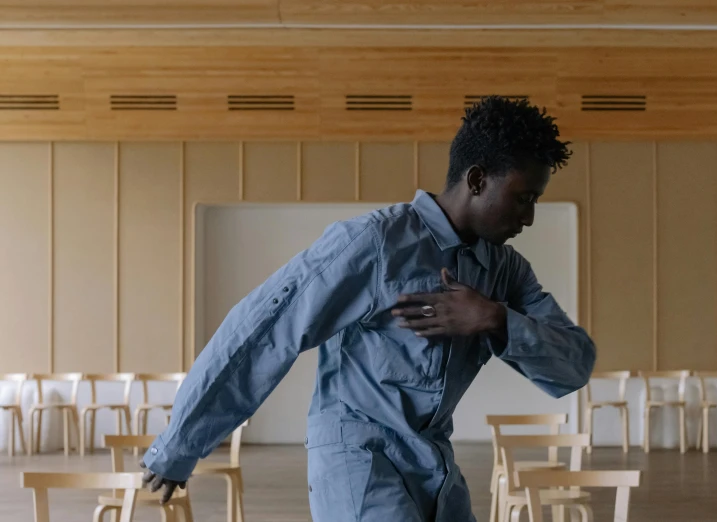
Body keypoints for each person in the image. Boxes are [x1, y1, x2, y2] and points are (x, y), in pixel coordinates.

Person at [140, 95, 596, 521]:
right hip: (357, 457)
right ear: (477, 180)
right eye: (523, 198)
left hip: (434, 463)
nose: (529, 217)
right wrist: (182, 443)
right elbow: (266, 329)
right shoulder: (375, 243)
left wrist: (494, 318)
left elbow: (573, 365)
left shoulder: (506, 272)